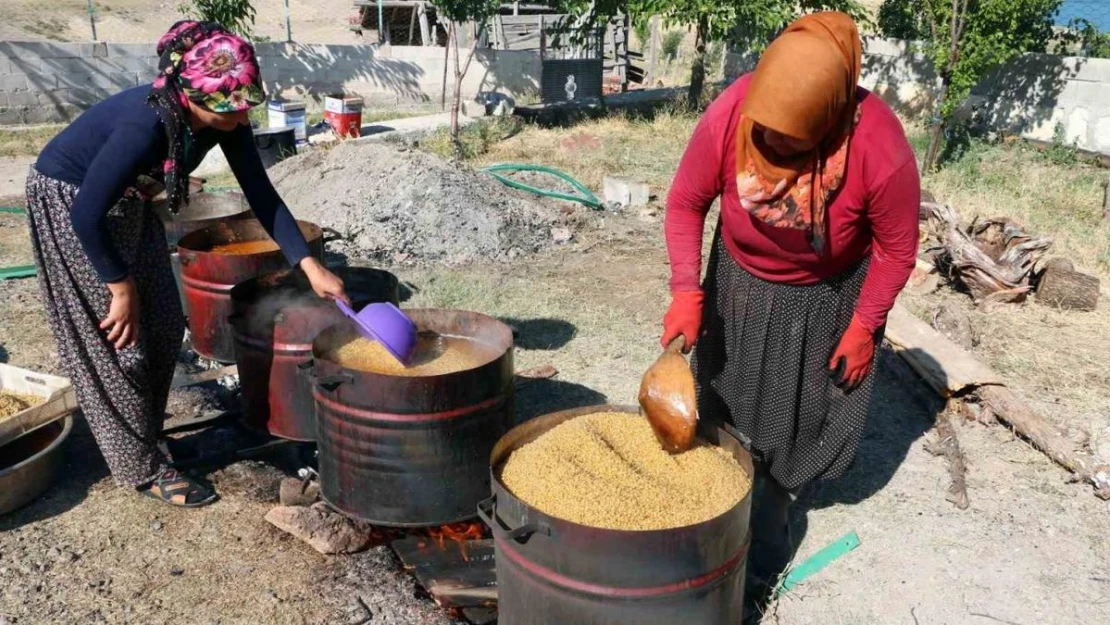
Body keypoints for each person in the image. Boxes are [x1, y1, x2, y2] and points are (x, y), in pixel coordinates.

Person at [25, 21, 348, 508]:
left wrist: (309, 265)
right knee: (120, 342)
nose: (241, 120)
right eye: (228, 110)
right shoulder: (145, 125)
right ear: (189, 97)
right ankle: (141, 468)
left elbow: (262, 195)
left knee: (163, 321)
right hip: (74, 205)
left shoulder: (226, 118)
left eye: (244, 108)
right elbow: (86, 212)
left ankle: (146, 438)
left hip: (127, 202)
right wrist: (119, 285)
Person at [661, 12, 920, 594]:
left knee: (794, 419)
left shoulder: (879, 147)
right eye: (766, 133)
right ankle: (709, 509)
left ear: (829, 121)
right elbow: (684, 204)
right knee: (719, 395)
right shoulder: (731, 114)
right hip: (736, 281)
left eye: (790, 140)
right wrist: (686, 291)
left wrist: (863, 326)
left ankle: (765, 536)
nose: (772, 143)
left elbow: (897, 250)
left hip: (822, 299)